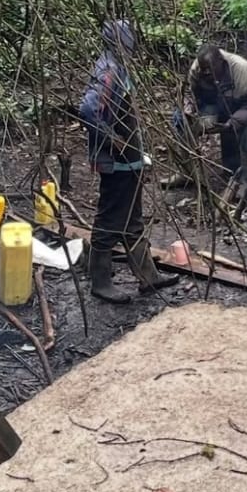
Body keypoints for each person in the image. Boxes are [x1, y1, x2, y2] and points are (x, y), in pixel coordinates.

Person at [79, 19, 177, 304]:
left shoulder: (119, 68)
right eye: (129, 37)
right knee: (109, 220)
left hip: (129, 161)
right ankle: (100, 282)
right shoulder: (109, 71)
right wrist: (113, 139)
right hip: (116, 163)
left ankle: (148, 276)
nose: (133, 42)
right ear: (119, 41)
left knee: (133, 221)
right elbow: (88, 110)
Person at [186, 44, 247, 186]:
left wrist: (234, 122)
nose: (206, 72)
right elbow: (190, 94)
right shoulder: (197, 69)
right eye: (204, 69)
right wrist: (189, 108)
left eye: (210, 68)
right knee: (181, 120)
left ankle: (246, 178)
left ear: (220, 61)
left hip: (239, 109)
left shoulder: (242, 70)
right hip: (213, 107)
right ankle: (186, 173)